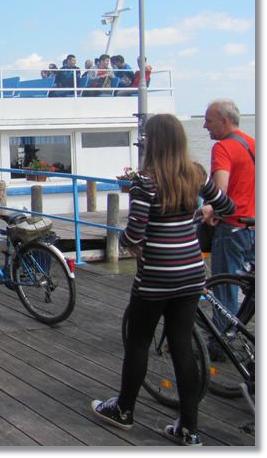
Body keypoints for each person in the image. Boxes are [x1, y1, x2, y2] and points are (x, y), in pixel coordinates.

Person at [91, 114, 235, 447]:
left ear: (153, 143)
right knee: (182, 346)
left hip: (156, 276)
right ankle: (189, 428)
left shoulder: (145, 183)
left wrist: (128, 241)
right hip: (192, 273)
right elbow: (226, 205)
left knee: (139, 342)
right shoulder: (195, 173)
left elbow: (134, 234)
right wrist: (205, 213)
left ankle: (124, 410)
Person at [200, 99, 255, 327]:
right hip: (254, 225)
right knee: (253, 287)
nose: (205, 126)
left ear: (224, 122)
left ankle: (223, 339)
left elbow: (220, 188)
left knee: (225, 288)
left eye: (209, 121)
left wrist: (211, 207)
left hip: (232, 227)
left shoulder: (223, 147)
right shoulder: (254, 144)